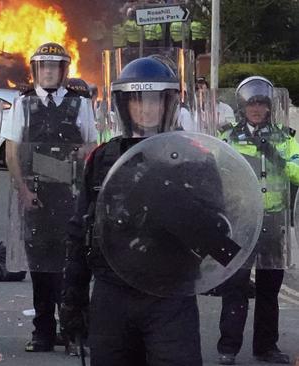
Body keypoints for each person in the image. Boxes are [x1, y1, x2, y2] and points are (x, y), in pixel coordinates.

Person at [67, 56, 204, 365]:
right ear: (124, 105)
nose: (146, 109)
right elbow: (80, 231)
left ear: (169, 104)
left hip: (169, 295)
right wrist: (72, 300)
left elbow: (217, 233)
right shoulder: (103, 159)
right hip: (112, 293)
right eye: (137, 101)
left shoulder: (194, 158)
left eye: (155, 101)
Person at [2, 42, 97, 353]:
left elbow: (91, 148)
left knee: (72, 266)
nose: (48, 72)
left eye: (54, 67)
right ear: (35, 71)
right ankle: (42, 331)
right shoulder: (22, 104)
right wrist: (23, 191)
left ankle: (73, 332)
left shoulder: (80, 104)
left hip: (70, 197)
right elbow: (12, 150)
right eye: (43, 66)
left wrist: (83, 190)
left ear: (63, 71)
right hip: (37, 198)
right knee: (41, 268)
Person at [216, 76, 297, 365]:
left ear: (269, 107)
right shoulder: (227, 138)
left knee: (269, 288)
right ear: (242, 106)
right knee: (235, 285)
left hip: (273, 222)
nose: (257, 109)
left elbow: (297, 172)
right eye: (252, 103)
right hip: (241, 221)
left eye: (262, 104)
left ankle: (266, 347)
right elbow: (216, 173)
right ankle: (228, 347)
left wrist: (275, 155)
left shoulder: (285, 138)